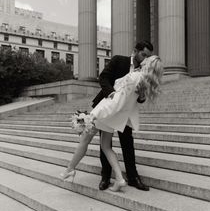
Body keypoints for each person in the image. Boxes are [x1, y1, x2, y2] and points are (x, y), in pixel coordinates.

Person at [60, 54, 163, 192]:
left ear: (148, 65)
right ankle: (119, 179)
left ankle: (70, 169)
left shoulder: (133, 78)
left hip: (106, 113)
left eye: (147, 59)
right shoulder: (143, 83)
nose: (144, 59)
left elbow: (116, 101)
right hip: (114, 117)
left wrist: (93, 115)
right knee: (105, 146)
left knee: (84, 139)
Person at [93, 41, 153, 191]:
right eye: (143, 54)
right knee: (105, 144)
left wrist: (142, 95)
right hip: (110, 106)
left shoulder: (144, 72)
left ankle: (133, 178)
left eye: (148, 56)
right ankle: (105, 177)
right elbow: (103, 77)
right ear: (135, 51)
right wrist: (111, 94)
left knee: (127, 143)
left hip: (125, 113)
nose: (145, 59)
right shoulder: (119, 60)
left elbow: (140, 98)